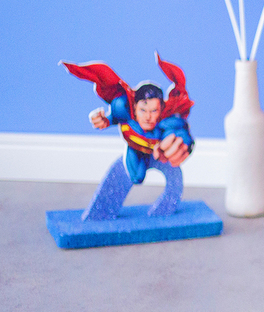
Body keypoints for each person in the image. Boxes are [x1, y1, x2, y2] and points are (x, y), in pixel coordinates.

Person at [63, 54, 194, 220]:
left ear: (161, 110)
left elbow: (181, 131)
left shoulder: (166, 124)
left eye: (154, 111)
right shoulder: (124, 110)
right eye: (143, 110)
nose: (148, 117)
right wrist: (104, 120)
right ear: (134, 107)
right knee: (136, 177)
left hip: (157, 154)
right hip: (134, 150)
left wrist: (185, 144)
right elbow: (112, 117)